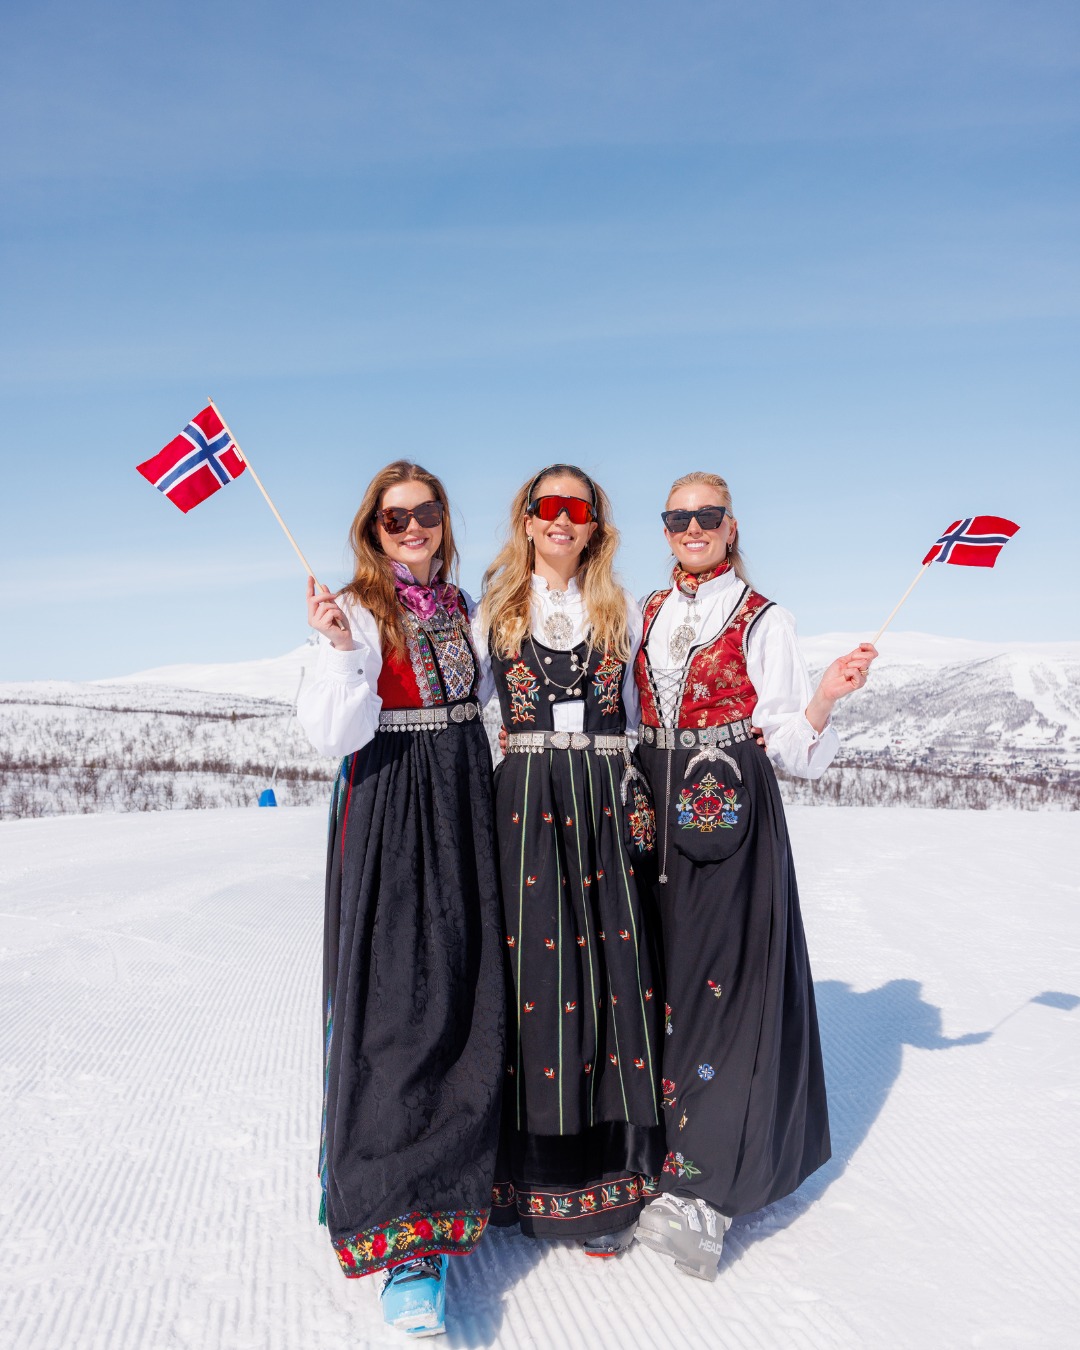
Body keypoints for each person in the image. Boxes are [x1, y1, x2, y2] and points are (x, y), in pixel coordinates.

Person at [631, 470, 876, 1280]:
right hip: (649, 807)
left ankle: (706, 1189)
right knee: (655, 980)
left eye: (707, 515)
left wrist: (823, 701)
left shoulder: (766, 618)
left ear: (731, 526)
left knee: (722, 990)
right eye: (678, 516)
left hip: (727, 805)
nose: (692, 527)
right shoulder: (646, 614)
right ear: (664, 528)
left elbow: (787, 743)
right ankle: (650, 1156)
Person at [297, 461, 505, 1338]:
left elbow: (487, 701)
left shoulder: (463, 609)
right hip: (391, 803)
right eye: (394, 519)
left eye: (425, 513)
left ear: (444, 522)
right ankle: (402, 1235)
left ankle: (473, 1173)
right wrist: (344, 653)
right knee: (398, 1007)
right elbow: (331, 734)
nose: (412, 527)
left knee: (469, 993)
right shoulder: (356, 611)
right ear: (371, 530)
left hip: (465, 797)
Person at [476, 464, 665, 1256]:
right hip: (525, 798)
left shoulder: (621, 609)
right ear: (525, 520)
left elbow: (654, 706)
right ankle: (535, 1176)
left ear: (595, 525)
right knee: (538, 979)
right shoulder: (493, 611)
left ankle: (612, 1184)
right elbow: (471, 712)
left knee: (615, 974)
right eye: (546, 507)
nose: (561, 520)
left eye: (576, 510)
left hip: (600, 790)